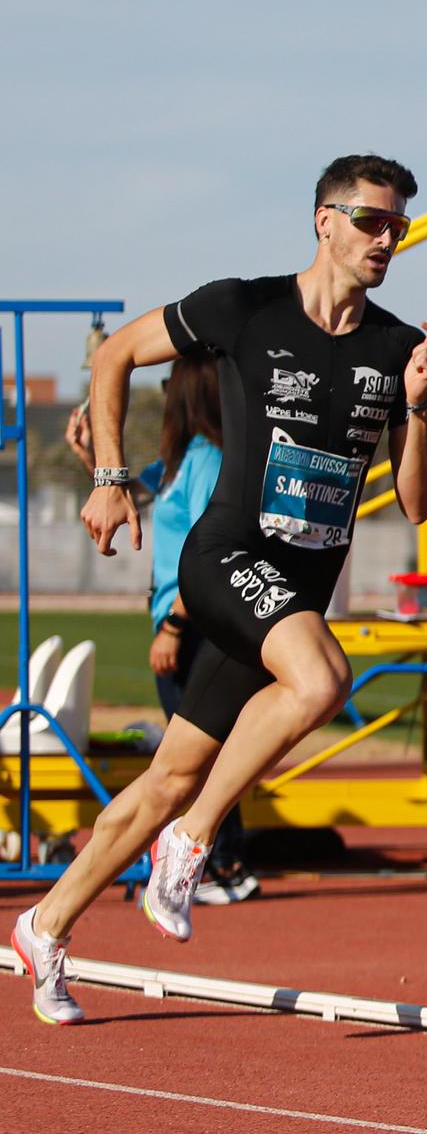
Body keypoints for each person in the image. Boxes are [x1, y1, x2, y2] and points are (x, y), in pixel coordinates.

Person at [10, 154, 427, 1026]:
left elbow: (418, 502)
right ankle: (194, 842)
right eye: (371, 221)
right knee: (321, 682)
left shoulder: (400, 348)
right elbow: (120, 355)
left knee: (169, 774)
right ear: (323, 221)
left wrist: (422, 409)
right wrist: (108, 473)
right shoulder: (244, 308)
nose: (387, 239)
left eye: (399, 226)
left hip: (292, 594)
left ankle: (45, 923)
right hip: (223, 560)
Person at [65, 356, 259, 903]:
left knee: (197, 751)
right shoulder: (180, 462)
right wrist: (91, 456)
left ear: (188, 393)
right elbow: (131, 494)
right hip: (179, 615)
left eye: (170, 383)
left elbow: (212, 550)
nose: (165, 391)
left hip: (196, 621)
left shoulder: (208, 460)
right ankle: (215, 862)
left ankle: (224, 864)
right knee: (188, 749)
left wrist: (174, 626)